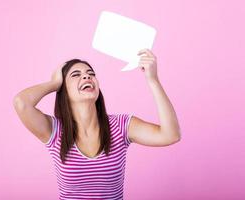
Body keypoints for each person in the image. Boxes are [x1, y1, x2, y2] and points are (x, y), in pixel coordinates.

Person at [13, 48, 181, 199]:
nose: (87, 76)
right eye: (75, 75)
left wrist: (153, 79)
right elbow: (21, 103)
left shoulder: (122, 126)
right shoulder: (54, 131)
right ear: (63, 89)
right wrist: (54, 84)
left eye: (90, 73)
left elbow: (170, 135)